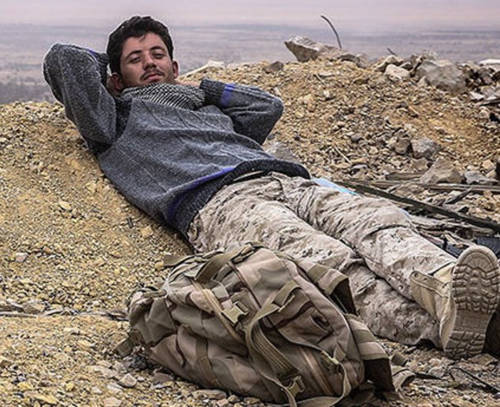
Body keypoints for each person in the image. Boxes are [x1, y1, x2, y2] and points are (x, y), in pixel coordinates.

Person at [43, 16, 500, 359]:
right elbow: (64, 58)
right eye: (136, 58)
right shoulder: (113, 119)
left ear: (175, 64)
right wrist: (109, 77)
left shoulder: (203, 105)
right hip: (221, 202)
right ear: (116, 77)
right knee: (327, 262)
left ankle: (447, 289)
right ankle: (449, 329)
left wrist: (203, 88)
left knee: (378, 222)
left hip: (286, 179)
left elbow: (267, 106)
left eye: (158, 54)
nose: (150, 63)